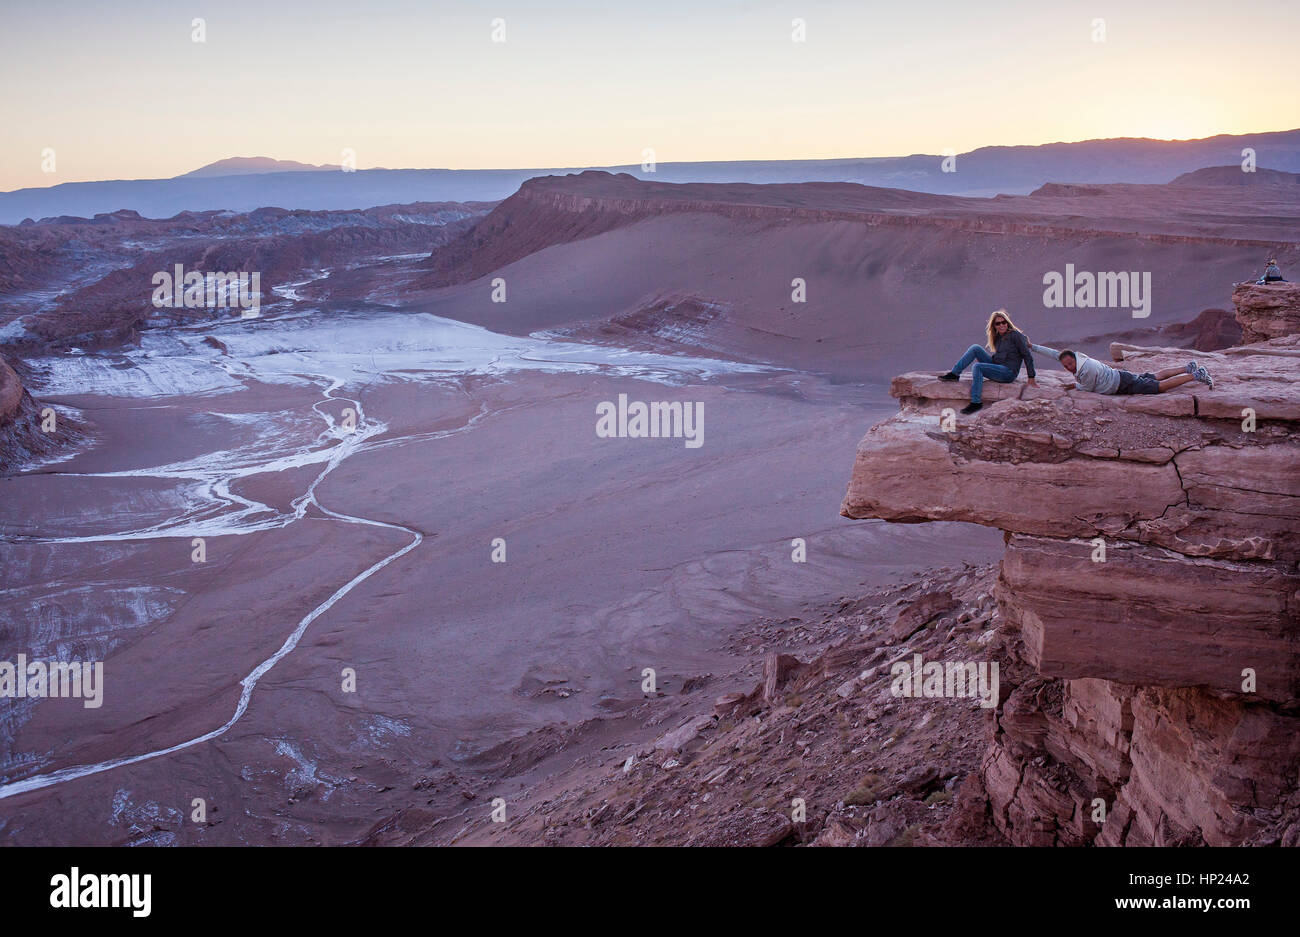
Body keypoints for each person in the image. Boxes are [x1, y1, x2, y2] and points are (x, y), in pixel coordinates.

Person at [937, 309, 1036, 414]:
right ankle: (954, 374)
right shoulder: (998, 337)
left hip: (1008, 372)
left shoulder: (1015, 335)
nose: (1002, 325)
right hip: (997, 366)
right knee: (975, 348)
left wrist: (1031, 377)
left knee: (978, 367)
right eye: (998, 323)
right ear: (994, 326)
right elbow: (999, 356)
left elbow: (1027, 356)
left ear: (1007, 323)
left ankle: (976, 403)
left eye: (1004, 322)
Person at [1029, 342, 1213, 393]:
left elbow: (1088, 388)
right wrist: (1033, 347)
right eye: (1066, 365)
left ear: (1074, 360)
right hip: (1120, 376)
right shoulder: (1078, 357)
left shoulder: (1087, 370)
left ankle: (1196, 375)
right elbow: (1055, 354)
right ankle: (1186, 368)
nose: (1068, 367)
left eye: (1070, 364)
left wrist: (1074, 386)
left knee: (1160, 387)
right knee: (1155, 376)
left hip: (1122, 384)